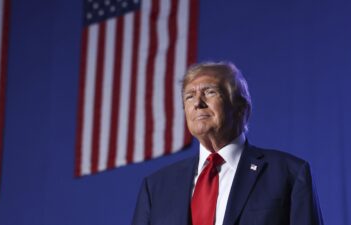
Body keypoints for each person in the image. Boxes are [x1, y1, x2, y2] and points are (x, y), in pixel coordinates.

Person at [131, 61, 323, 225]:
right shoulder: (156, 187)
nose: (198, 103)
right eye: (189, 96)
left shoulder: (288, 173)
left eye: (210, 92)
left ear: (241, 108)